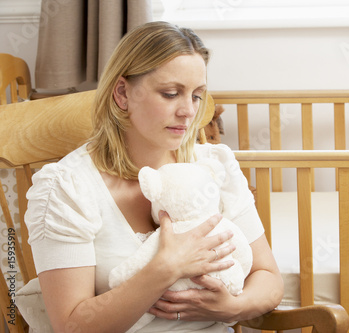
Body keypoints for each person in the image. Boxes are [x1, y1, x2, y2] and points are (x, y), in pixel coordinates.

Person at [25, 21, 284, 333]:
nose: (188, 111)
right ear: (122, 93)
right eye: (171, 93)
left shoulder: (214, 166)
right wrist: (166, 267)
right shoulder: (67, 188)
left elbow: (268, 277)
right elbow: (72, 326)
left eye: (197, 95)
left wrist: (232, 307)